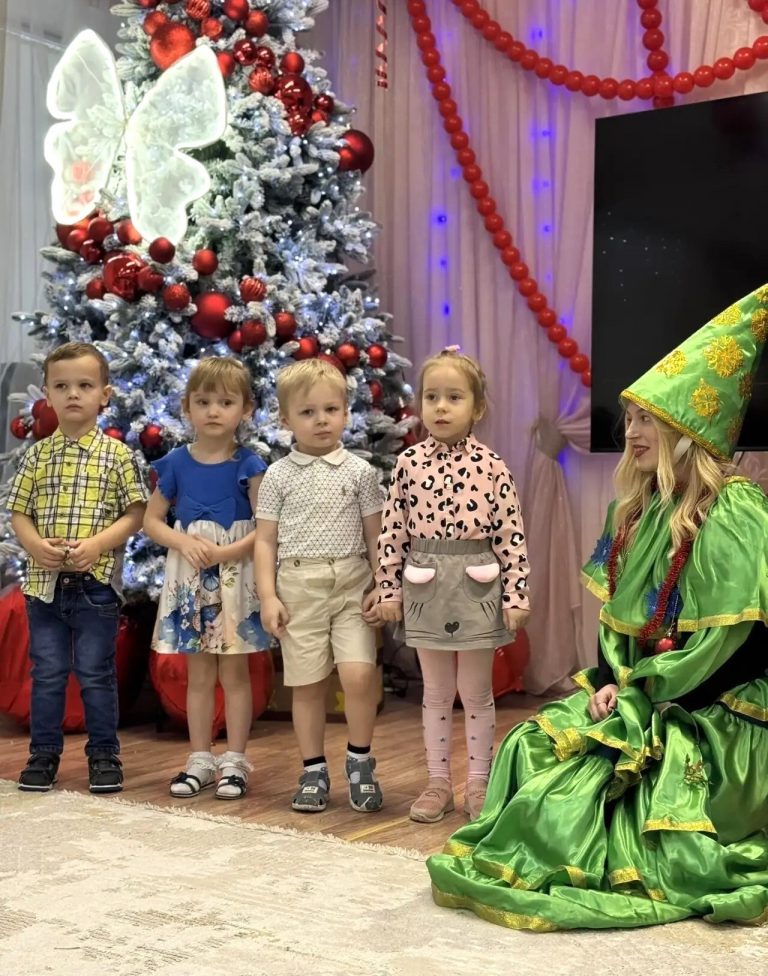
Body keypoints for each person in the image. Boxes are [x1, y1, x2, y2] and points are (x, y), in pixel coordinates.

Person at [428, 288, 768, 930]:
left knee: (609, 792)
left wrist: (648, 697)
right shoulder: (632, 513)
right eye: (629, 418)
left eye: (647, 420)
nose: (629, 432)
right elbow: (618, 624)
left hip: (715, 706)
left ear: (686, 430)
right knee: (531, 744)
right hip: (648, 690)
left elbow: (735, 646)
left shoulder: (735, 512)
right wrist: (611, 680)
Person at [376, 348, 530, 824]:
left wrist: (516, 594)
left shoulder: (493, 466)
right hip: (425, 588)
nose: (441, 407)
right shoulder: (407, 464)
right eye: (431, 397)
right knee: (437, 691)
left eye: (454, 397)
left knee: (476, 691)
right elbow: (392, 532)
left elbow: (511, 536)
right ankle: (438, 782)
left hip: (476, 588)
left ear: (476, 407)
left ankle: (478, 782)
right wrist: (388, 589)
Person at [8, 342, 147, 793]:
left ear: (104, 395)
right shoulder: (36, 455)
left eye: (84, 385)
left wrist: (98, 544)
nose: (73, 394)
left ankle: (104, 755)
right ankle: (43, 755)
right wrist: (34, 545)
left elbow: (135, 513)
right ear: (47, 395)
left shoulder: (118, 455)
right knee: (47, 673)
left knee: (96, 673)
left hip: (96, 586)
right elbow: (19, 511)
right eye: (62, 386)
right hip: (44, 587)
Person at [254, 358, 384, 813]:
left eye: (331, 410)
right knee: (307, 684)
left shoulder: (360, 472)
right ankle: (313, 769)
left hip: (352, 585)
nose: (321, 420)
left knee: (359, 675)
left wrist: (382, 584)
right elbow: (265, 541)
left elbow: (376, 536)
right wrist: (268, 596)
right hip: (298, 588)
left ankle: (360, 761)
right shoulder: (277, 475)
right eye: (308, 412)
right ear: (286, 419)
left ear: (346, 413)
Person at [145, 358, 270, 800]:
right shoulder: (176, 463)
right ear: (187, 407)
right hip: (191, 578)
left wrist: (225, 553)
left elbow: (265, 527)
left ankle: (234, 760)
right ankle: (199, 757)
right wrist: (182, 542)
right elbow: (152, 521)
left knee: (234, 673)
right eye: (203, 402)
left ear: (246, 409)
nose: (213, 410)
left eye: (225, 402)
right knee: (198, 674)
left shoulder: (249, 464)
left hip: (235, 576)